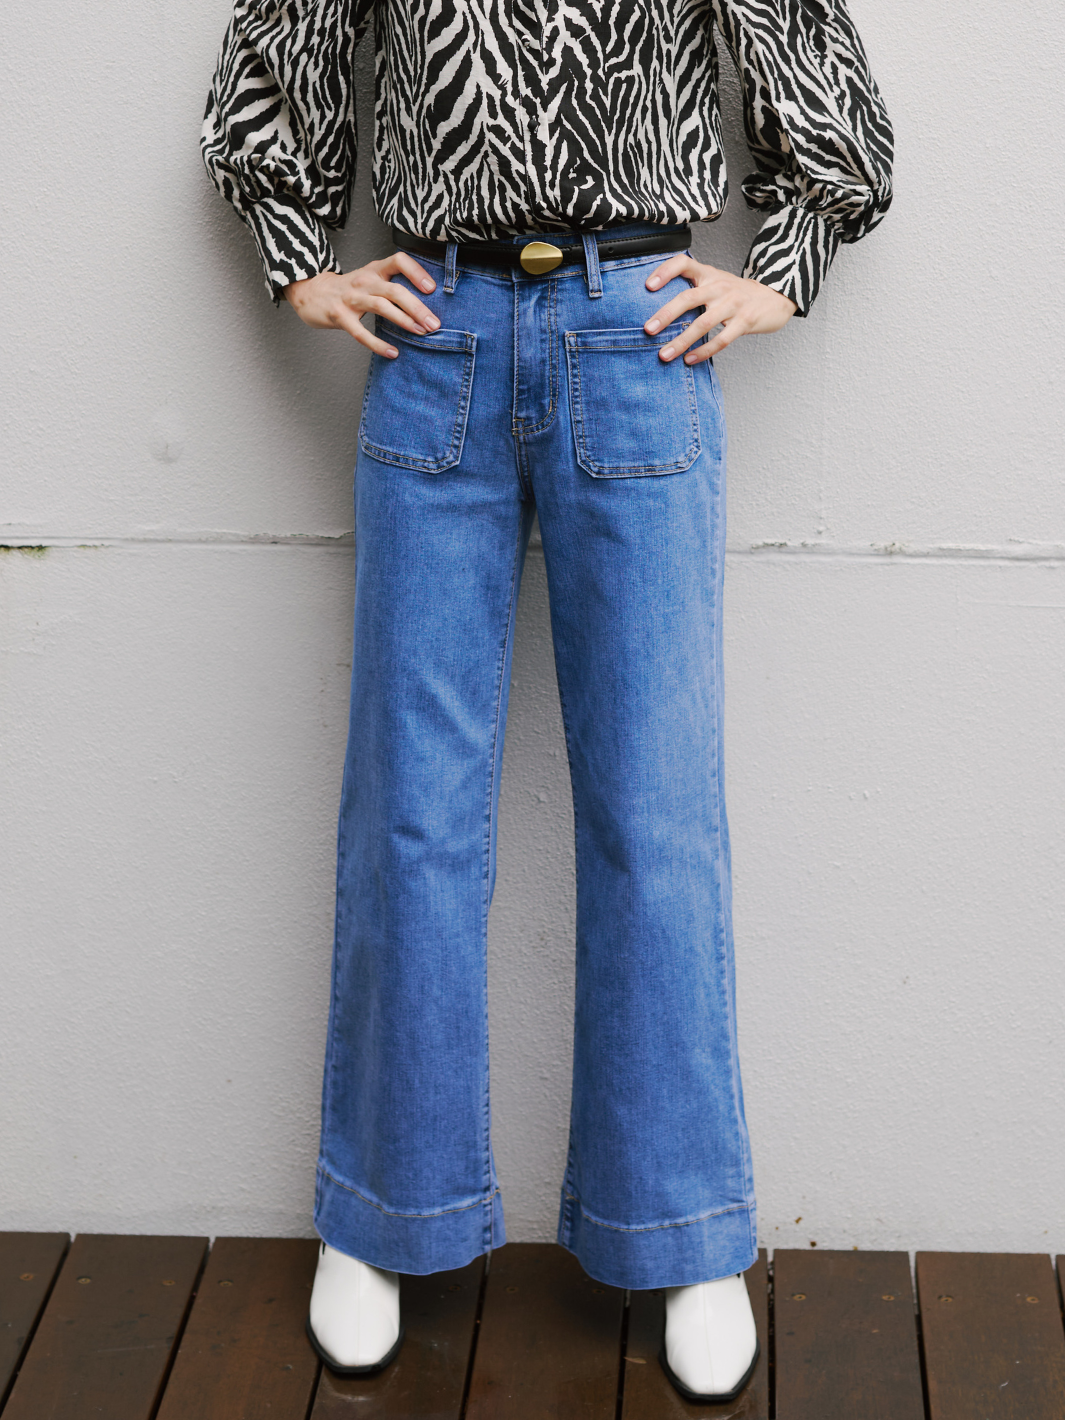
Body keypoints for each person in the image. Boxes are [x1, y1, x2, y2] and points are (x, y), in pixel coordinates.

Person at [202, 0, 892, 1402]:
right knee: (410, 813)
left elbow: (829, 96)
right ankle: (382, 1215)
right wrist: (300, 266)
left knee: (656, 816)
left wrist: (783, 269)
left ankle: (684, 1232)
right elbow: (274, 66)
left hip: (637, 333)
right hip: (436, 331)